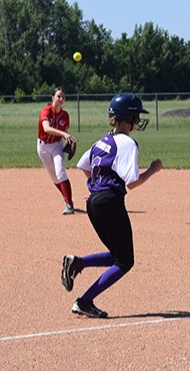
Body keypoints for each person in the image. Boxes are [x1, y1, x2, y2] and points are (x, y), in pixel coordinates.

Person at [61, 92, 162, 318]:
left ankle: (78, 263)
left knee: (117, 254)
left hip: (94, 203)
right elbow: (132, 182)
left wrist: (95, 185)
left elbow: (82, 164)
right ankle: (84, 301)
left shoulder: (102, 141)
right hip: (110, 202)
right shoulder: (127, 143)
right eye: (135, 116)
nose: (137, 120)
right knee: (125, 261)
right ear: (129, 118)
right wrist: (153, 170)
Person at [37, 87, 77, 215]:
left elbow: (65, 130)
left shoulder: (65, 115)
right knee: (54, 178)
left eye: (63, 97)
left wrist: (67, 138)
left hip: (57, 146)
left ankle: (69, 204)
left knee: (61, 173)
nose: (61, 99)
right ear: (53, 98)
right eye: (58, 96)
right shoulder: (46, 111)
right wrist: (64, 134)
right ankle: (66, 197)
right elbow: (46, 128)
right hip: (43, 147)